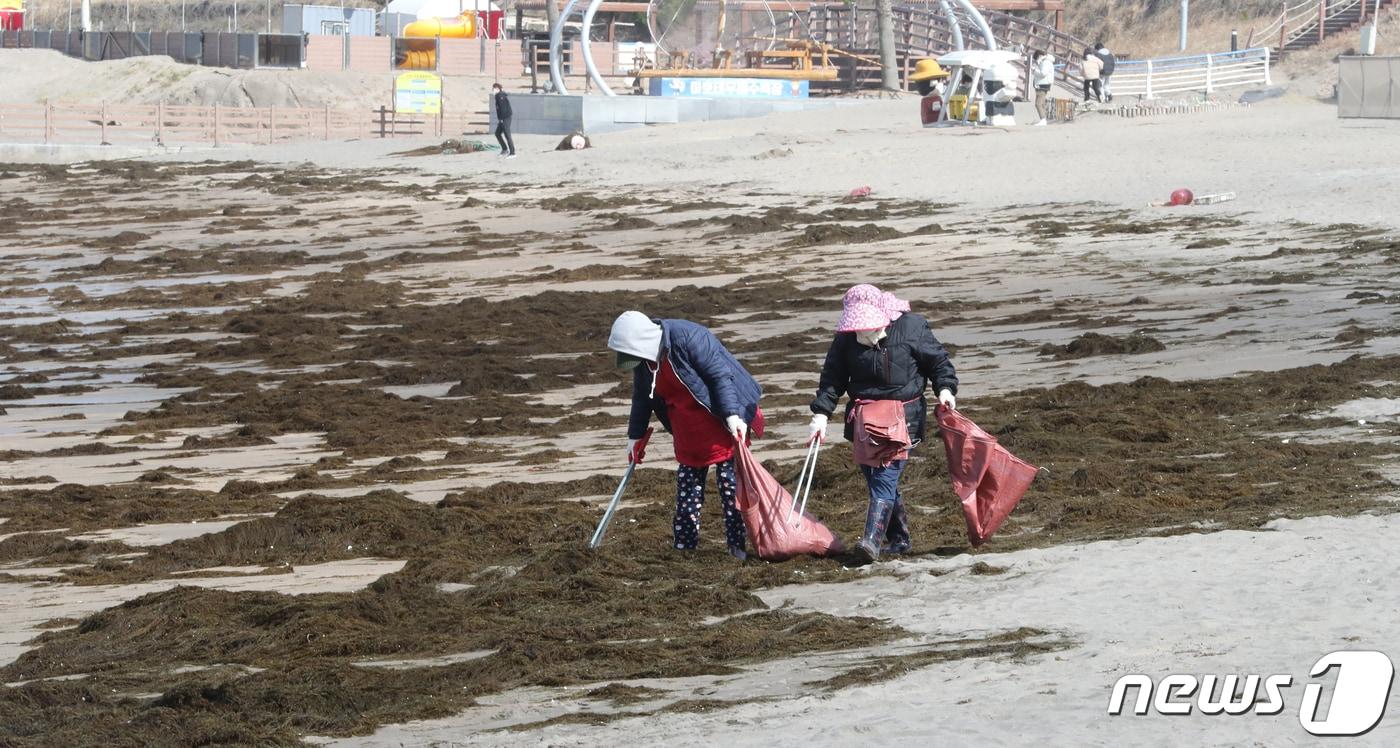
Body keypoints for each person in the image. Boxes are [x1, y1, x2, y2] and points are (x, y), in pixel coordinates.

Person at [807, 285, 958, 563]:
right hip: (864, 421)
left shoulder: (912, 327)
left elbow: (939, 363)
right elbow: (832, 380)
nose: (864, 333)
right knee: (876, 479)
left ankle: (871, 543)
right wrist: (820, 417)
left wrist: (945, 390)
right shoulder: (845, 339)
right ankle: (899, 539)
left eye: (870, 327)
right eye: (859, 329)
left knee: (884, 477)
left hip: (904, 417)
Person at [608, 311, 765, 560]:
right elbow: (642, 398)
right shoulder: (644, 361)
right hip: (687, 429)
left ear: (643, 342)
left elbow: (720, 376)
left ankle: (737, 547)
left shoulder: (689, 337)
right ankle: (684, 548)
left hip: (721, 420)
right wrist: (634, 437)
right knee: (687, 492)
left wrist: (733, 415)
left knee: (730, 487)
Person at [491, 83, 516, 159]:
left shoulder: (500, 96)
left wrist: (502, 119)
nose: (493, 90)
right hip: (502, 118)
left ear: (498, 89)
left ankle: (512, 153)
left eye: (494, 88)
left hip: (505, 118)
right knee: (497, 133)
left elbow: (503, 109)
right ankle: (505, 149)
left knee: (507, 135)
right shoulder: (497, 96)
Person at [1031, 50, 1055, 125]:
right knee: (1041, 103)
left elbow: (1043, 73)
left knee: (1038, 103)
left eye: (1037, 58)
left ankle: (1043, 119)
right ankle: (1043, 119)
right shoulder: (1044, 62)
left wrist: (1035, 70)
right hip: (1042, 84)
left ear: (1039, 56)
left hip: (1043, 84)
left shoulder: (1046, 62)